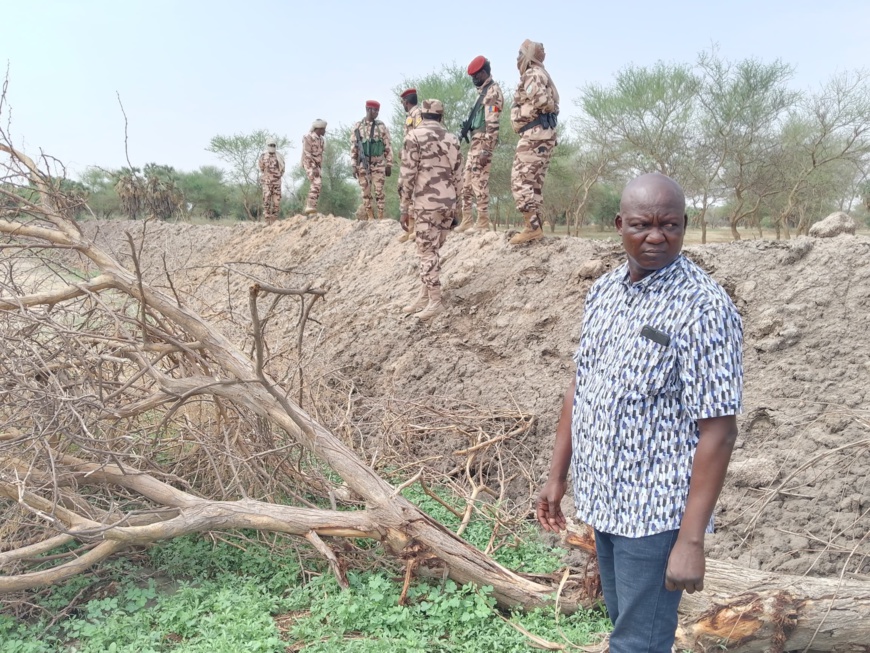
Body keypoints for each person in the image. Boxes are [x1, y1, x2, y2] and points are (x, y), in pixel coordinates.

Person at [536, 173, 743, 653]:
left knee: (639, 642)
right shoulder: (605, 291)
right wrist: (557, 476)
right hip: (606, 500)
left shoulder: (703, 308)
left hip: (655, 516)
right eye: (641, 225)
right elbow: (581, 385)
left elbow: (720, 433)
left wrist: (690, 541)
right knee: (625, 628)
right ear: (619, 225)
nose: (656, 236)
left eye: (669, 225)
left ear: (685, 225)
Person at [398, 99, 462, 320]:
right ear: (441, 117)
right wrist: (458, 208)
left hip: (426, 205)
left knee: (426, 253)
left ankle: (435, 301)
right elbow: (459, 176)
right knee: (433, 251)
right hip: (448, 204)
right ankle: (424, 295)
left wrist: (403, 207)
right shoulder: (452, 139)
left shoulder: (413, 136)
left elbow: (407, 175)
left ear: (421, 116)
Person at [509, 39, 559, 245]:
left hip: (534, 134)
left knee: (520, 180)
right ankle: (535, 225)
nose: (517, 59)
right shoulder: (542, 74)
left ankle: (532, 227)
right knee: (534, 183)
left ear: (528, 56)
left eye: (520, 54)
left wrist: (536, 109)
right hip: (543, 134)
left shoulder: (532, 74)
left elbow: (541, 101)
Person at [455, 56, 503, 234]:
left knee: (479, 182)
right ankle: (467, 219)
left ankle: (482, 221)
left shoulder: (492, 92)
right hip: (475, 142)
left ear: (484, 73)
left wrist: (486, 150)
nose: (474, 80)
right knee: (466, 183)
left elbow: (492, 124)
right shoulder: (482, 93)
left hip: (483, 143)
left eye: (476, 76)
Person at [350, 100, 392, 220]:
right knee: (366, 191)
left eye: (378, 111)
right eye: (375, 110)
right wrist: (354, 165)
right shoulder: (358, 126)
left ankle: (380, 216)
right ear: (368, 109)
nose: (377, 113)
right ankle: (369, 216)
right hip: (363, 165)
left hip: (378, 164)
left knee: (379, 191)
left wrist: (389, 164)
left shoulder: (381, 126)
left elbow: (387, 145)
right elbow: (354, 148)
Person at [398, 88, 423, 243]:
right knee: (405, 191)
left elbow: (419, 136)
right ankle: (410, 229)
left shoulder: (418, 114)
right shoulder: (410, 116)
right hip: (408, 159)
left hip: (415, 160)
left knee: (415, 193)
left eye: (402, 102)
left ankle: (415, 229)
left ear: (406, 102)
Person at [302, 119, 327, 215]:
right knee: (316, 183)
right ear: (319, 129)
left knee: (318, 185)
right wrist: (313, 167)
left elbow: (320, 154)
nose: (325, 131)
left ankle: (312, 208)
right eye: (324, 129)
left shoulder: (321, 139)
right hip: (309, 164)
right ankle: (310, 207)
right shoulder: (308, 137)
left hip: (317, 165)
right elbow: (307, 153)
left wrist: (318, 167)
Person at [257, 138, 285, 225]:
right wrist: (267, 177)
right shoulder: (263, 156)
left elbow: (283, 169)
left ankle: (274, 221)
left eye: (273, 145)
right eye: (270, 145)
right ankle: (267, 220)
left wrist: (277, 177)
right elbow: (261, 168)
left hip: (277, 183)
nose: (272, 147)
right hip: (267, 182)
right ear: (267, 146)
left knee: (276, 203)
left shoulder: (279, 156)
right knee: (266, 200)